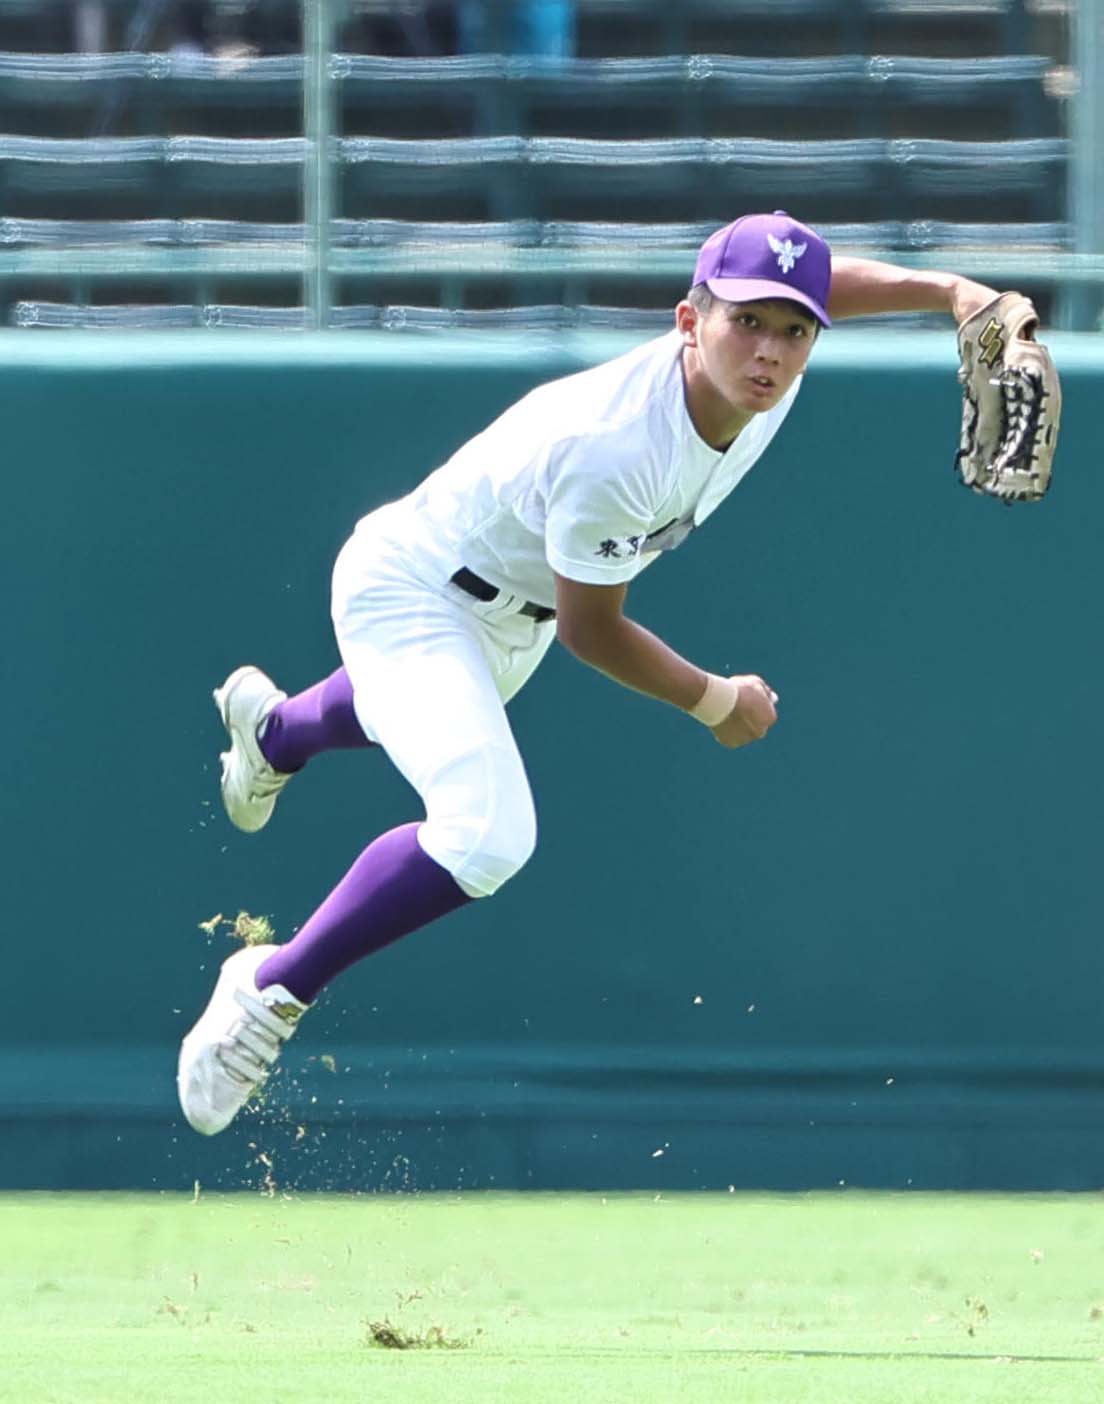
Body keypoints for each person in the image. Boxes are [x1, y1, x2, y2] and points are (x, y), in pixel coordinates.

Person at [178, 210, 1002, 1135]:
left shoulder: (764, 373)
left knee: (414, 709)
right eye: (746, 322)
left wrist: (953, 292)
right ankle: (269, 988)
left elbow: (813, 284)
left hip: (511, 605)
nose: (770, 349)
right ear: (688, 320)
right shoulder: (621, 447)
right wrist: (715, 700)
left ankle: (276, 733)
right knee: (486, 837)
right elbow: (593, 630)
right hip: (416, 588)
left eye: (794, 330)